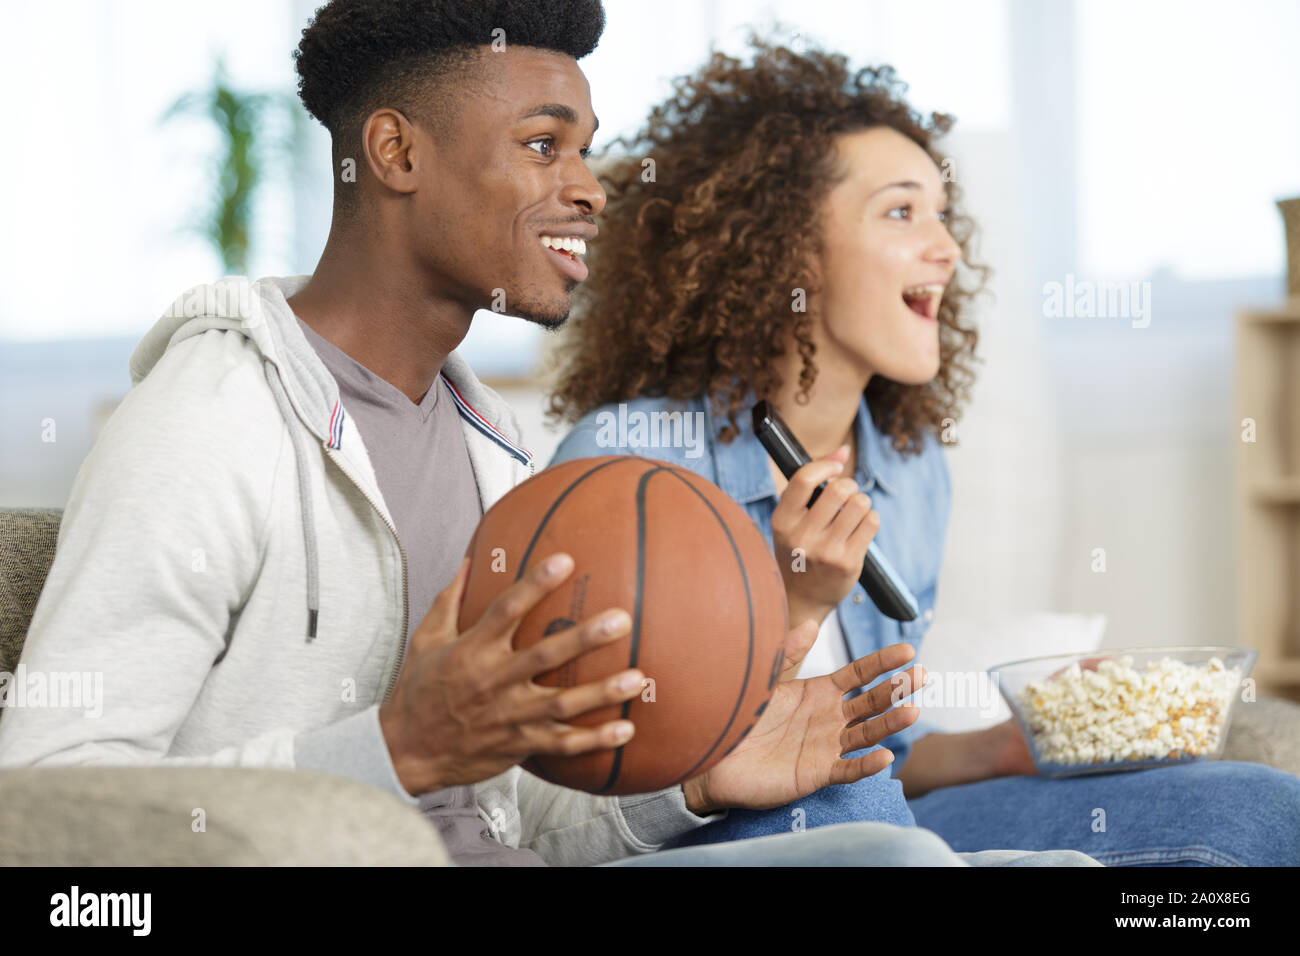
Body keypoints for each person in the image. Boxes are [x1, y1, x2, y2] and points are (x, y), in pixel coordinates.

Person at [0, 0, 1098, 867]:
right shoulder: (210, 420)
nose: (590, 190)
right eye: (541, 145)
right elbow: (42, 802)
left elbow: (518, 813)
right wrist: (393, 748)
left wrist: (695, 784)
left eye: (587, 151)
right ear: (395, 151)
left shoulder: (497, 454)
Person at [548, 38, 1300, 866]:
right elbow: (619, 777)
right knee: (859, 806)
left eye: (943, 213)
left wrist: (996, 749)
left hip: (886, 818)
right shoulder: (632, 463)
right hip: (734, 828)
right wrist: (789, 608)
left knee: (1263, 809)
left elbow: (886, 755)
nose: (948, 248)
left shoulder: (907, 467)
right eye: (902, 212)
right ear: (787, 247)